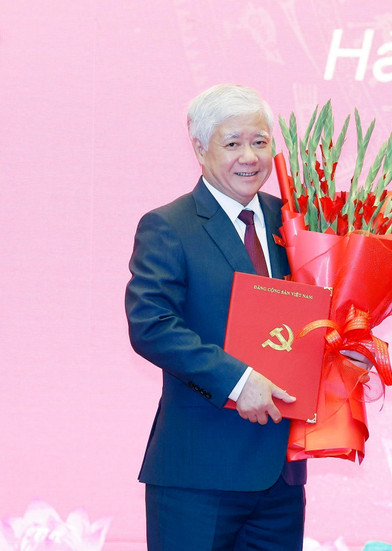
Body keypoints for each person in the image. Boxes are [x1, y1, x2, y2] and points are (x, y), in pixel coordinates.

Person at [125, 84, 306, 550]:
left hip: (280, 479)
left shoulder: (297, 222)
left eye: (260, 142)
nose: (250, 156)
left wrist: (347, 350)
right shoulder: (169, 225)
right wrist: (237, 379)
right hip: (197, 474)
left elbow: (312, 316)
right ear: (200, 149)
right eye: (233, 143)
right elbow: (152, 325)